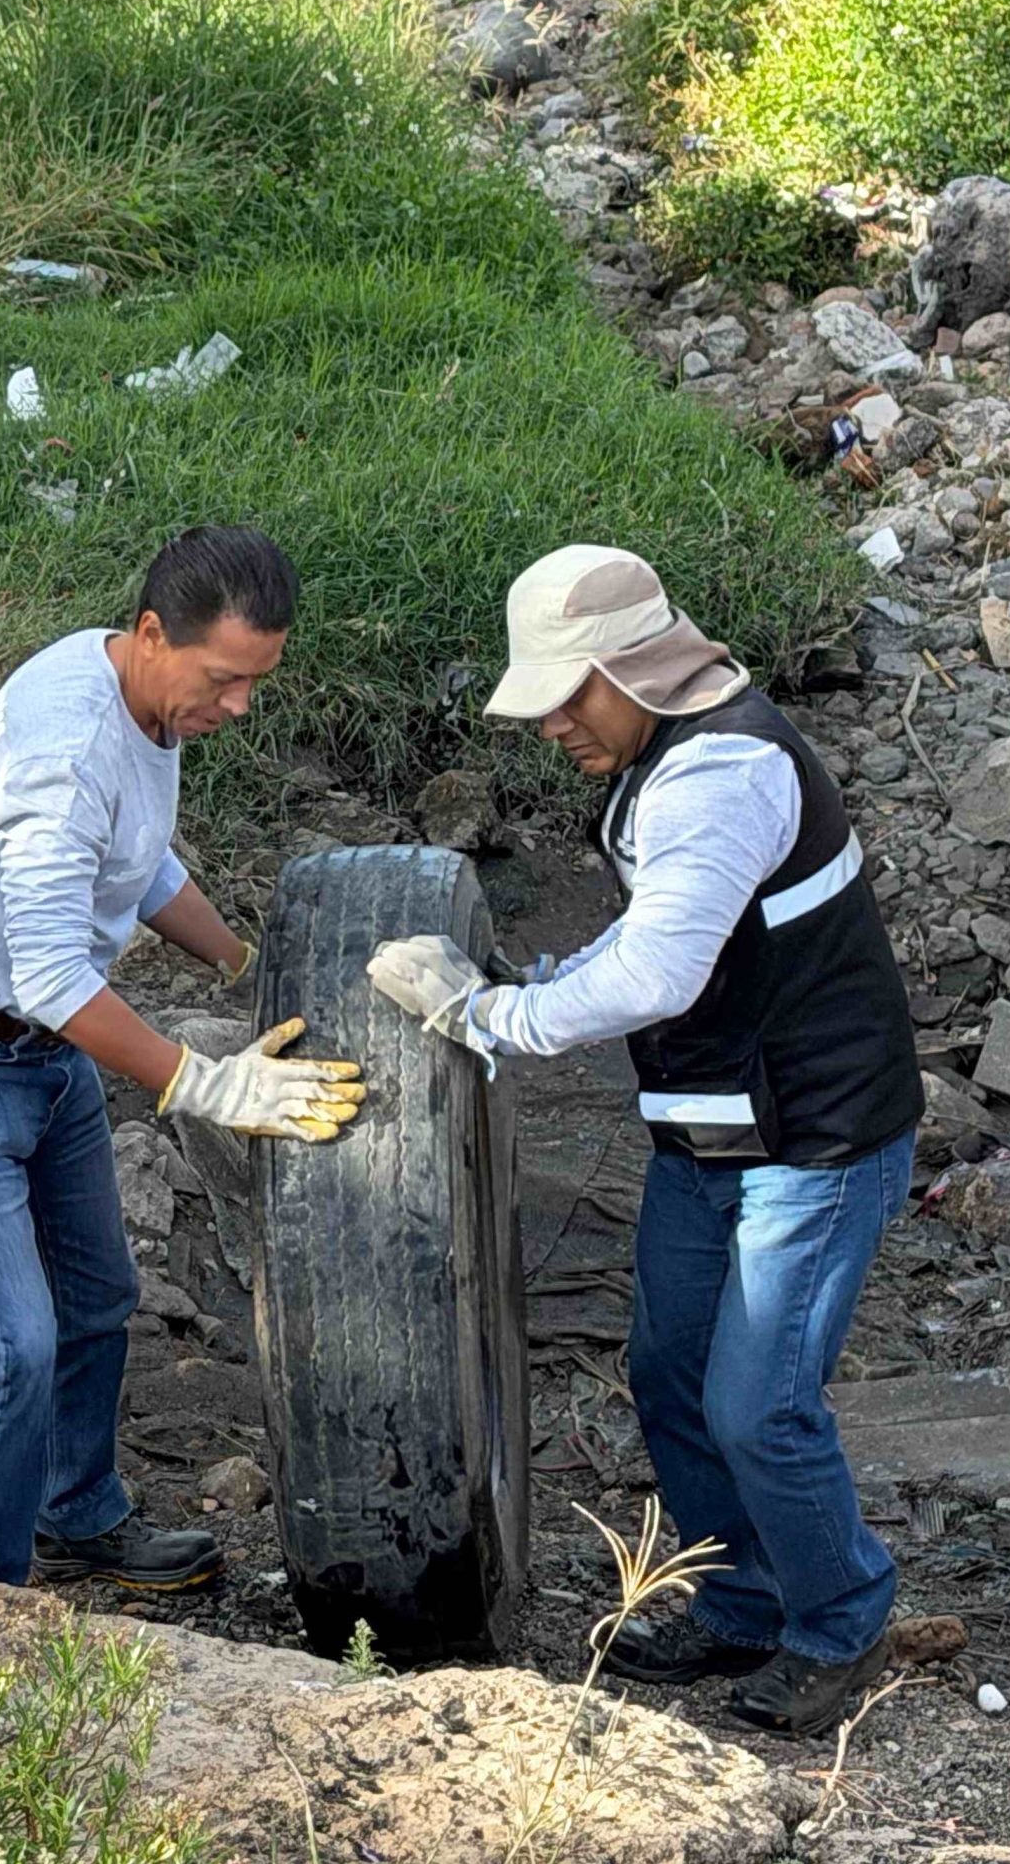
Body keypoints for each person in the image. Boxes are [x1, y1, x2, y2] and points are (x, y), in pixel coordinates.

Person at [366, 544, 923, 1737]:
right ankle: (740, 1601)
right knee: (672, 1377)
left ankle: (839, 1623)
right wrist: (551, 979)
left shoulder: (722, 773)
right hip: (716, 1132)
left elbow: (665, 971)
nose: (553, 723)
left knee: (757, 1404)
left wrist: (489, 1017)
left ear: (633, 666)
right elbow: (671, 944)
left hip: (814, 1143)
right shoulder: (660, 755)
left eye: (570, 694)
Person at [0, 526, 366, 1593]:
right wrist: (200, 1081)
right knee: (16, 1345)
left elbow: (134, 865)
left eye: (253, 683)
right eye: (225, 680)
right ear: (152, 633)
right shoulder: (65, 752)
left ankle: (75, 1515)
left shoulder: (140, 695)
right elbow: (48, 975)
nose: (236, 708)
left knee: (97, 1299)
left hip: (43, 1062)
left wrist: (241, 963)